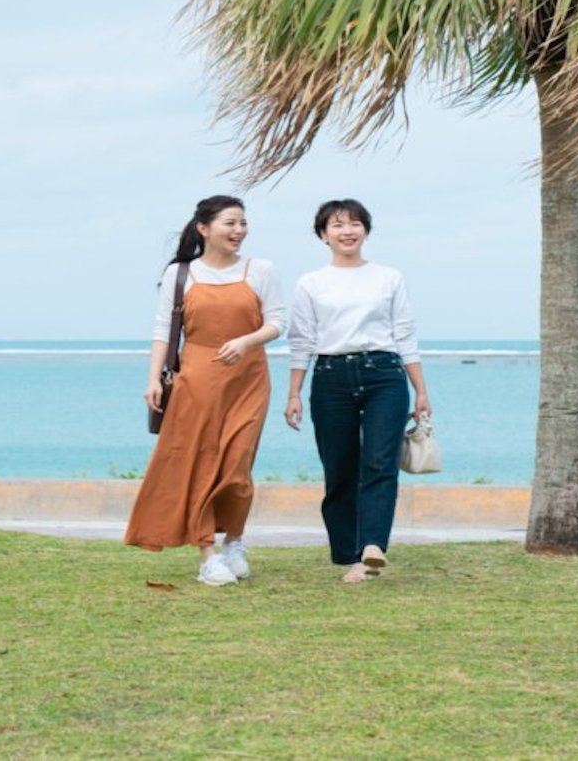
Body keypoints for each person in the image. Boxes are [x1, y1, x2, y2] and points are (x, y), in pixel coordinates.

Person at [124, 195, 285, 586]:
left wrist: (246, 342)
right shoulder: (182, 274)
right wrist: (152, 380)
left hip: (248, 379)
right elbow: (164, 331)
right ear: (204, 228)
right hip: (195, 379)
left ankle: (235, 540)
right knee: (200, 464)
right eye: (231, 223)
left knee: (237, 466)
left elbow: (278, 323)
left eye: (243, 223)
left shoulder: (260, 269)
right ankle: (206, 552)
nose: (239, 231)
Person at [283, 198, 432, 583]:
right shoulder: (311, 283)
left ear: (366, 230)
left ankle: (372, 548)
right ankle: (349, 554)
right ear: (323, 235)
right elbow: (301, 342)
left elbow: (405, 336)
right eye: (337, 225)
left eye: (354, 224)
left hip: (384, 373)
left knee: (380, 465)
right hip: (330, 377)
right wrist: (294, 393)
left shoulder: (389, 277)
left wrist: (421, 391)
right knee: (340, 470)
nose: (347, 231)